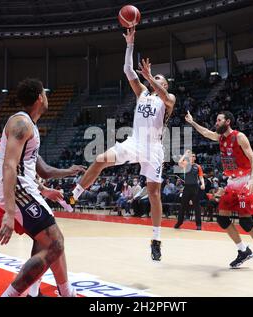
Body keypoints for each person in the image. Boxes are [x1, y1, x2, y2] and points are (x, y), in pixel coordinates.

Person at [68, 27, 176, 261]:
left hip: (154, 149)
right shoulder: (143, 94)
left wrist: (149, 78)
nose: (155, 79)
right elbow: (127, 69)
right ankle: (74, 195)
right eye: (153, 77)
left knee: (154, 194)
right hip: (134, 142)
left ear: (165, 85)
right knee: (99, 161)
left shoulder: (168, 99)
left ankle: (156, 240)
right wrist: (130, 44)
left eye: (159, 79)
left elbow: (166, 97)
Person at [0, 78, 85, 297]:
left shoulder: (30, 127)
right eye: (45, 93)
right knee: (55, 243)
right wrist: (8, 212)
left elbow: (40, 170)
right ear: (39, 98)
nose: (47, 98)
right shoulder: (21, 123)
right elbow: (9, 165)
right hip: (17, 191)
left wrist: (45, 190)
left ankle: (66, 292)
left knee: (54, 243)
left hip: (27, 189)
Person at [0, 138, 84, 297]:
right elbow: (45, 171)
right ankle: (34, 293)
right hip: (3, 187)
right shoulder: (22, 136)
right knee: (44, 238)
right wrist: (69, 171)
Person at [185, 110, 253, 273]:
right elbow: (205, 132)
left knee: (246, 222)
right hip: (232, 182)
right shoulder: (220, 137)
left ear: (227, 121)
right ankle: (243, 251)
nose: (216, 123)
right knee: (222, 219)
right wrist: (192, 122)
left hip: (245, 180)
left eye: (219, 120)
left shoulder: (239, 137)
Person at [174, 150, 205, 230]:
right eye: (191, 156)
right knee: (183, 206)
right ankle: (179, 223)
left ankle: (198, 225)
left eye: (194, 156)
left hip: (195, 187)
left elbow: (201, 176)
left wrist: (203, 183)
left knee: (197, 206)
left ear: (195, 158)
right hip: (187, 187)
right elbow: (179, 162)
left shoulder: (198, 166)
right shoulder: (186, 164)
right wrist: (185, 154)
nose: (192, 157)